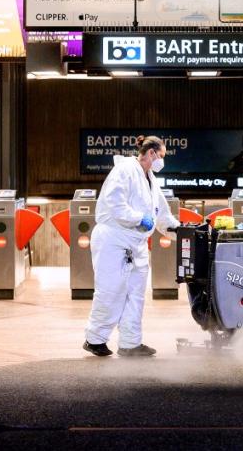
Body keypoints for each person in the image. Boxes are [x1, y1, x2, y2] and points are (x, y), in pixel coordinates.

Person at [83, 136, 179, 358]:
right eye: (162, 156)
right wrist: (138, 218)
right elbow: (115, 204)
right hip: (114, 239)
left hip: (137, 244)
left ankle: (130, 343)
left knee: (135, 295)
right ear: (152, 153)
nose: (162, 161)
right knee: (111, 291)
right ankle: (94, 339)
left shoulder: (151, 179)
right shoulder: (124, 170)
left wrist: (178, 230)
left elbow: (161, 214)